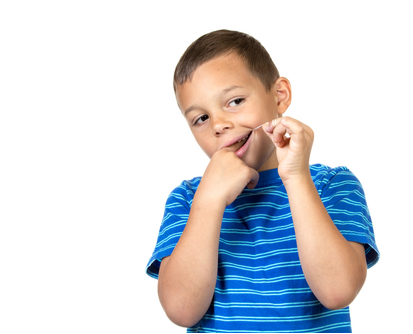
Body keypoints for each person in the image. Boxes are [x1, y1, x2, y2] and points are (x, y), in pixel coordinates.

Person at [145, 29, 379, 333]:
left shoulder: (333, 184)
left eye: (235, 101)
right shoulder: (189, 199)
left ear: (279, 95)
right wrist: (209, 201)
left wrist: (296, 178)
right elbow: (181, 310)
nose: (218, 124)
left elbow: (338, 291)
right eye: (200, 118)